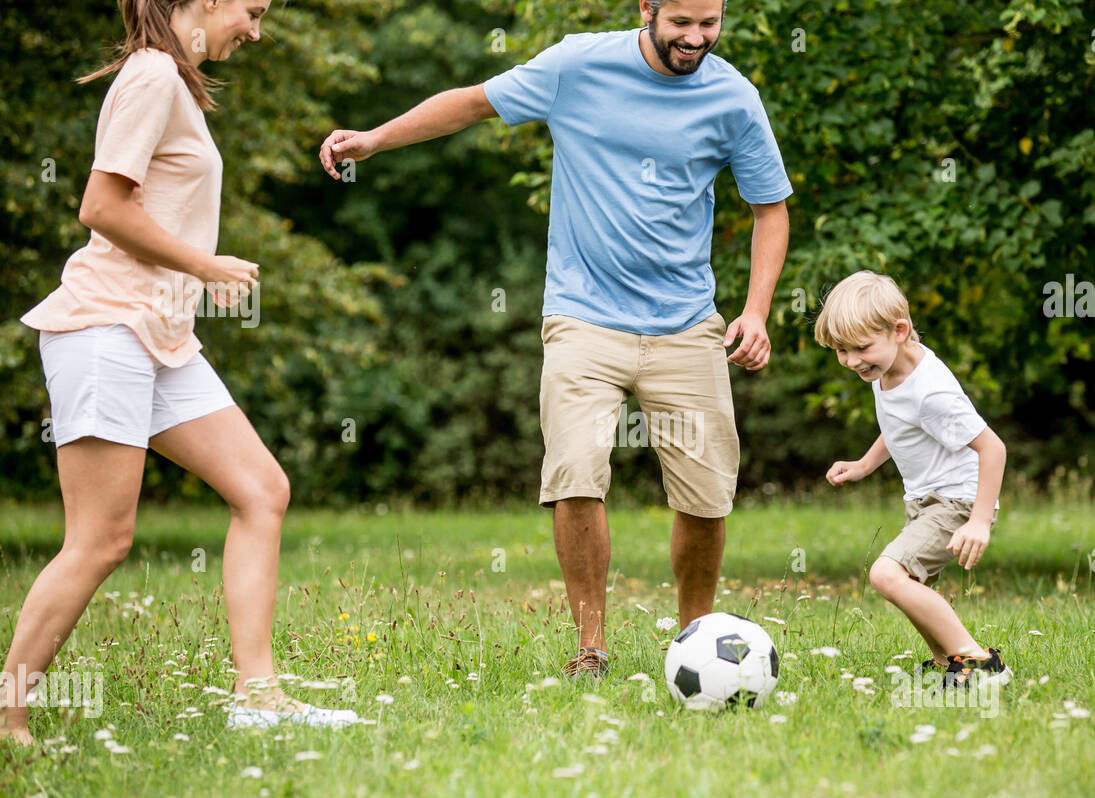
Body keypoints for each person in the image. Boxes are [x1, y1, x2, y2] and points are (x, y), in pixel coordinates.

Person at [319, 0, 791, 678]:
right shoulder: (578, 65)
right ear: (647, 9)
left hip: (687, 324)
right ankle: (591, 648)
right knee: (575, 471)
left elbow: (770, 208)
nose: (695, 38)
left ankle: (697, 638)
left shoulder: (733, 98)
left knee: (705, 495)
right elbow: (474, 103)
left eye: (709, 24)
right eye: (681, 22)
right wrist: (373, 139)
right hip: (583, 316)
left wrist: (757, 311)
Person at [1, 0, 358, 745]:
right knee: (100, 539)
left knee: (261, 490)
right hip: (105, 326)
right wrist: (205, 264)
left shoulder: (175, 82)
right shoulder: (153, 75)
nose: (256, 31)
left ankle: (257, 694)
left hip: (161, 337)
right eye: (252, 11)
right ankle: (8, 711)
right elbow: (100, 206)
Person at [819, 271, 1010, 688]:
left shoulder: (931, 392)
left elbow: (993, 449)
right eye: (841, 350)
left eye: (860, 348)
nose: (851, 361)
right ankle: (948, 664)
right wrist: (864, 465)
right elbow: (899, 425)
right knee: (906, 582)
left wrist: (978, 521)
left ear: (899, 330)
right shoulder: (886, 368)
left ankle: (979, 663)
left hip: (957, 501)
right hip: (926, 499)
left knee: (887, 575)